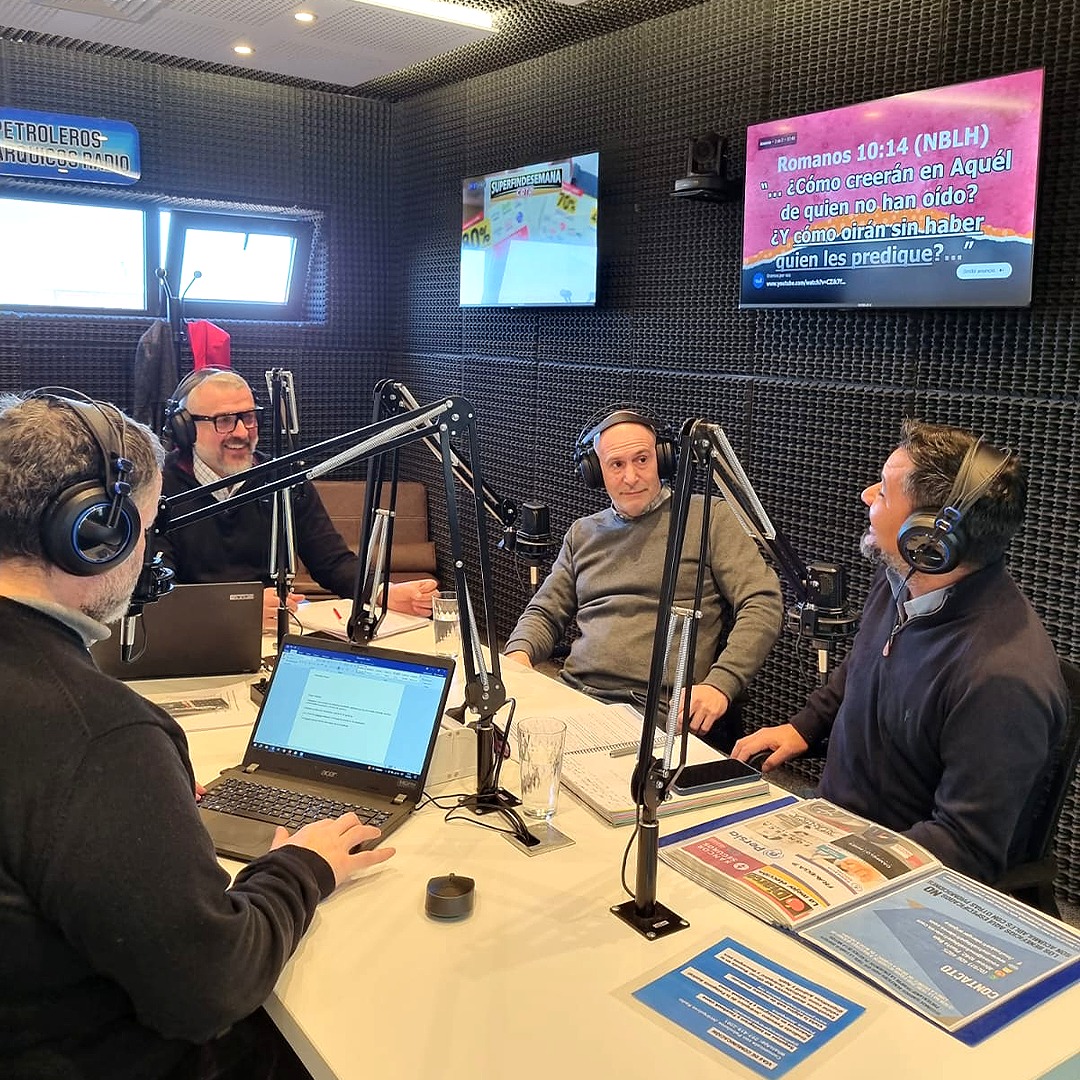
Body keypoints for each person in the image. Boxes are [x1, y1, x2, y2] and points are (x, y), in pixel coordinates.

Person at [0, 389, 395, 1078]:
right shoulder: (102, 735)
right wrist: (301, 866)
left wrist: (142, 811)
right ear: (95, 534)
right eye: (145, 529)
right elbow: (209, 990)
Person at [732, 419, 1068, 884]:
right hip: (830, 822)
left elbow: (965, 846)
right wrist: (804, 726)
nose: (867, 494)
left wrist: (830, 862)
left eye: (885, 491)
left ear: (929, 537)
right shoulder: (903, 577)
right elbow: (863, 663)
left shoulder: (1002, 679)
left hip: (889, 875)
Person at [504, 409, 784, 749]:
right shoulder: (583, 533)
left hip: (659, 713)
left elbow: (762, 602)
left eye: (641, 459)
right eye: (616, 464)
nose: (631, 477)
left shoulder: (710, 519)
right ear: (596, 471)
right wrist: (518, 656)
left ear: (663, 459)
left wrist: (721, 683)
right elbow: (545, 612)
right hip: (576, 695)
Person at [155, 369, 438, 627]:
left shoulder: (281, 478)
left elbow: (332, 562)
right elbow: (159, 590)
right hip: (192, 636)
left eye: (249, 417)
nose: (241, 433)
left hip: (272, 635)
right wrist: (235, 609)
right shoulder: (158, 489)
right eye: (225, 421)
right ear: (185, 428)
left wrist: (382, 593)